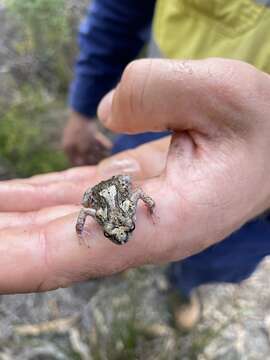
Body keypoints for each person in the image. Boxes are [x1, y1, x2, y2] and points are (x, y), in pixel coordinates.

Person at [62, 1, 270, 329]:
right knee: (131, 189)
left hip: (260, 199)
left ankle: (183, 286)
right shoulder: (112, 214)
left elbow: (125, 203)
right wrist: (83, 105)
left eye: (122, 228)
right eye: (121, 228)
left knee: (218, 256)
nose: (121, 228)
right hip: (155, 129)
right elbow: (113, 201)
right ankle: (121, 264)